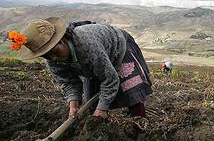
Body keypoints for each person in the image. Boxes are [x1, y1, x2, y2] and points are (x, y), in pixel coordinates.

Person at [17, 18, 152, 118]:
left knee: (131, 93)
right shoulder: (52, 59)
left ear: (62, 40)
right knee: (91, 105)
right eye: (47, 56)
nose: (54, 58)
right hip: (93, 63)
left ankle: (140, 124)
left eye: (56, 52)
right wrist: (73, 104)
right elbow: (68, 82)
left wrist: (102, 109)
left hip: (119, 49)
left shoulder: (86, 44)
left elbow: (109, 79)